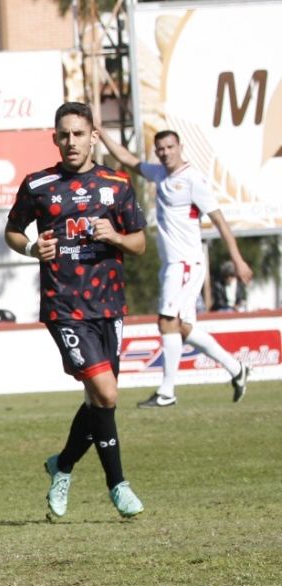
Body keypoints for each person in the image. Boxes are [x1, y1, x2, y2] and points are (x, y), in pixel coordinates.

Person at [5, 102, 148, 520]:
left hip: (110, 305)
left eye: (78, 134)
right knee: (105, 393)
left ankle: (62, 465)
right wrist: (33, 247)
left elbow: (139, 243)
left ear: (93, 137)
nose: (71, 141)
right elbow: (13, 231)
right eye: (64, 134)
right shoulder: (39, 185)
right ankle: (117, 484)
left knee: (100, 400)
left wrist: (116, 236)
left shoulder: (116, 184)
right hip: (65, 305)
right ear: (55, 138)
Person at [97, 128, 253, 407]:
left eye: (170, 147)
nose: (166, 152)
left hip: (185, 264)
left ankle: (167, 392)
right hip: (172, 264)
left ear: (180, 147)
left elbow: (220, 221)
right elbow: (127, 159)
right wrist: (101, 130)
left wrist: (238, 259)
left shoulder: (193, 180)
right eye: (161, 149)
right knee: (182, 327)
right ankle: (237, 369)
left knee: (166, 322)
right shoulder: (160, 174)